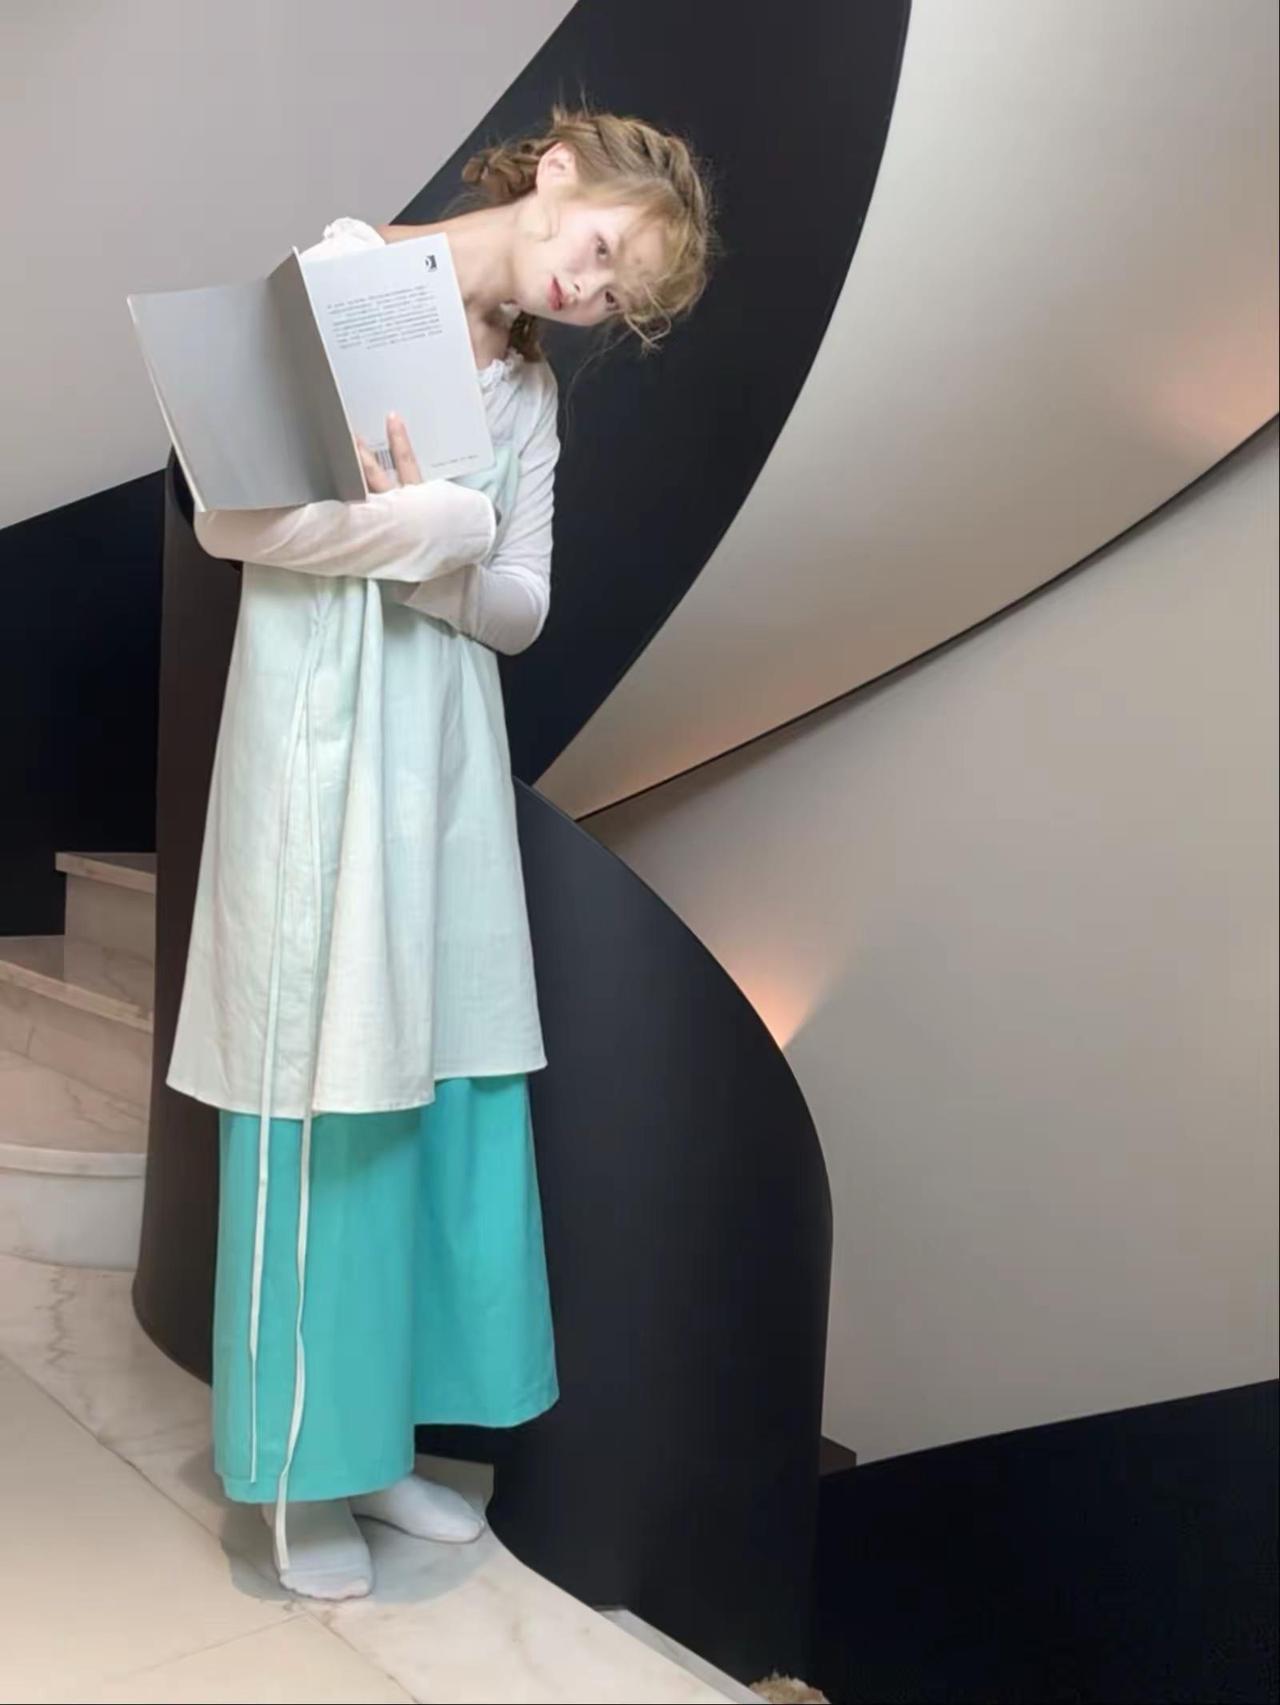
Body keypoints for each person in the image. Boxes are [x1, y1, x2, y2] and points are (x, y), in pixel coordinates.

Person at [168, 104, 715, 1600]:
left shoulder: (530, 392)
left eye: (611, 297)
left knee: (432, 1082)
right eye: (598, 251)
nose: (583, 293)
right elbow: (235, 518)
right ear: (560, 172)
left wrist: (443, 536)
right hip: (321, 738)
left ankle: (381, 1437)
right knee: (325, 1086)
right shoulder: (341, 279)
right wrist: (439, 526)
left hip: (447, 763)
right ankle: (297, 1467)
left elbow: (522, 606)